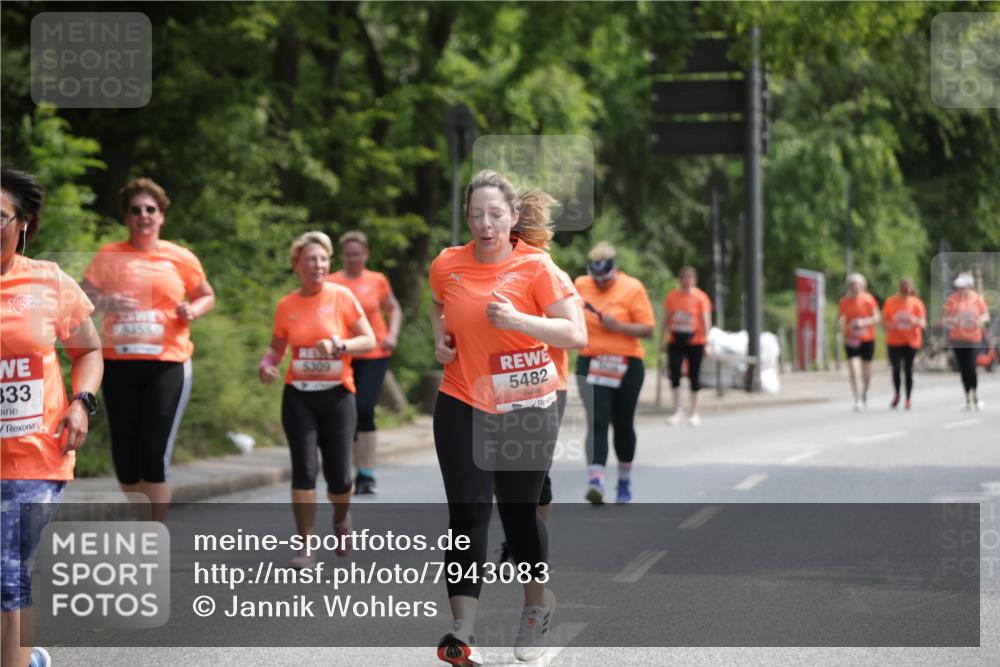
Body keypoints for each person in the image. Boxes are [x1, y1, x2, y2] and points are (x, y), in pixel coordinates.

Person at [429, 170, 585, 665]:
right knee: (468, 512)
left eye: (495, 214)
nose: (485, 223)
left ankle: (536, 607)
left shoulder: (539, 268)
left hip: (529, 401)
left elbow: (574, 333)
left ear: (514, 217)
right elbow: (439, 305)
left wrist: (520, 321)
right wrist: (440, 339)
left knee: (519, 513)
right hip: (462, 398)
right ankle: (463, 631)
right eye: (476, 214)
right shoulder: (447, 263)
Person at [2, 168, 103, 667]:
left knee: (6, 568)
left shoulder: (47, 281)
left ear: (23, 224)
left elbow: (88, 351)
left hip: (35, 456)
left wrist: (81, 402)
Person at [81, 178, 215, 522]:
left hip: (167, 363)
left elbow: (206, 295)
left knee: (153, 454)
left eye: (150, 209)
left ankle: (154, 532)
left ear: (161, 216)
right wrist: (107, 301)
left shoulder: (180, 257)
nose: (143, 215)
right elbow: (82, 301)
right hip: (119, 364)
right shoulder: (109, 255)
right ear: (127, 217)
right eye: (136, 210)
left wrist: (193, 309)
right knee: (126, 462)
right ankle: (145, 518)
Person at [259, 231, 375, 568]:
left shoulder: (342, 296)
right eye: (311, 259)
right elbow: (276, 349)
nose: (318, 265)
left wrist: (339, 344)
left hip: (338, 396)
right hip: (299, 397)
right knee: (304, 470)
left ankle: (341, 517)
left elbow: (368, 340)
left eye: (323, 259)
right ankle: (306, 547)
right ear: (297, 264)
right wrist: (267, 367)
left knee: (340, 479)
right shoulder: (287, 305)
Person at [575, 242, 655, 505]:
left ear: (616, 270)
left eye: (606, 279)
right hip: (592, 361)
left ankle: (623, 480)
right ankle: (595, 480)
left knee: (622, 423)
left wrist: (618, 326)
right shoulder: (580, 285)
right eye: (596, 279)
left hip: (627, 364)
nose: (600, 284)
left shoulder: (633, 288)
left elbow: (647, 329)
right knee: (598, 420)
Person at [327, 231, 403, 495]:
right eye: (348, 254)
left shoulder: (377, 280)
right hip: (343, 355)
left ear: (366, 255)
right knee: (343, 412)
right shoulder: (331, 282)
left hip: (374, 353)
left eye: (357, 253)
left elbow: (393, 308)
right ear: (341, 256)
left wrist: (392, 334)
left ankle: (367, 473)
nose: (353, 258)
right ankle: (346, 471)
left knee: (364, 407)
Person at [660, 266, 713, 426]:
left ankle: (695, 412)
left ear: (694, 280)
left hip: (695, 341)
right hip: (676, 339)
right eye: (684, 278)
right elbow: (666, 319)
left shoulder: (700, 297)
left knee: (694, 376)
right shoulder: (672, 297)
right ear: (680, 280)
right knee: (675, 373)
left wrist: (707, 342)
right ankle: (677, 410)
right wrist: (661, 340)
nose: (686, 282)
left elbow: (706, 320)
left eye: (689, 279)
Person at [944, 272, 990, 411]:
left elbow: (985, 315)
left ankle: (975, 395)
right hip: (958, 339)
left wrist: (981, 320)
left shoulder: (977, 299)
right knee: (963, 368)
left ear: (970, 286)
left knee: (971, 366)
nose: (962, 289)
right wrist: (955, 321)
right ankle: (967, 398)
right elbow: (946, 319)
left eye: (964, 286)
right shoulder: (952, 299)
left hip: (973, 338)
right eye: (960, 287)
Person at [835, 273, 880, 411]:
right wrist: (838, 326)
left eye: (857, 284)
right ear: (848, 286)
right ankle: (857, 398)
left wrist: (864, 322)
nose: (854, 287)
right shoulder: (844, 301)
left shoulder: (868, 299)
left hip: (867, 338)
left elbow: (877, 317)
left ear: (862, 286)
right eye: (852, 284)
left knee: (866, 371)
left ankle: (864, 391)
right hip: (851, 339)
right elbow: (840, 318)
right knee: (854, 370)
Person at [882, 277, 927, 410]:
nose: (905, 291)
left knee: (908, 369)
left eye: (908, 288)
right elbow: (883, 322)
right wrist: (892, 325)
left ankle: (908, 398)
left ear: (911, 289)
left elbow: (923, 324)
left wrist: (914, 320)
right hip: (894, 340)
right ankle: (897, 393)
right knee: (895, 368)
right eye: (903, 288)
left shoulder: (917, 303)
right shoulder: (891, 302)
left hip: (911, 341)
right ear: (899, 288)